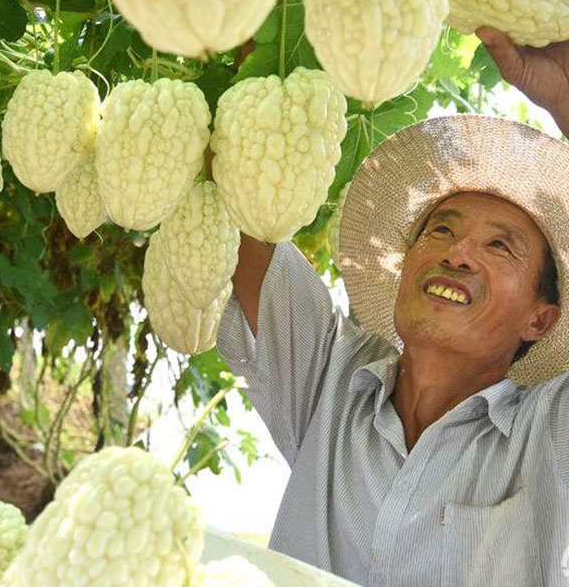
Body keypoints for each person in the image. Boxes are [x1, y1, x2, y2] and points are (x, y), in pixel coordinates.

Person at [216, 30, 569, 587]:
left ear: (540, 318)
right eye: (440, 229)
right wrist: (253, 29)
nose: (457, 253)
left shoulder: (551, 430)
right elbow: (244, 208)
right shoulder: (330, 377)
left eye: (499, 246)